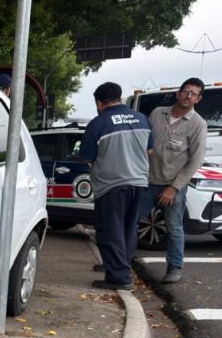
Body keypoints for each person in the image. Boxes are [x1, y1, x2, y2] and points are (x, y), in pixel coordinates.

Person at [78, 82, 152, 291]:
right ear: (119, 97)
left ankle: (119, 277)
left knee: (111, 231)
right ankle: (121, 268)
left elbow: (86, 157)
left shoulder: (99, 123)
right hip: (138, 182)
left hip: (111, 185)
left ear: (99, 103)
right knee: (129, 229)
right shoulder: (142, 119)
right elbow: (150, 151)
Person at [138, 77, 208, 284]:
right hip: (148, 180)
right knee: (130, 221)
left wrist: (174, 188)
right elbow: (145, 142)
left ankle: (174, 268)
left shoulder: (198, 124)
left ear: (198, 99)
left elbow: (196, 160)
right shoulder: (158, 113)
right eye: (186, 91)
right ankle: (118, 262)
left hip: (173, 185)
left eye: (193, 93)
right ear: (178, 93)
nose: (188, 96)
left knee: (174, 227)